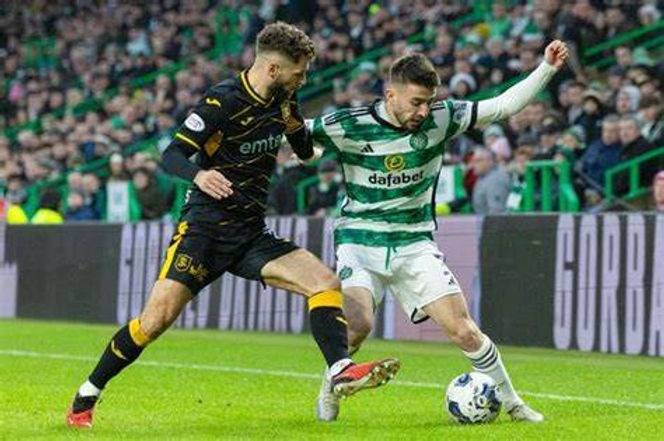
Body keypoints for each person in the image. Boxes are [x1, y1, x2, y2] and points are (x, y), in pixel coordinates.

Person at [66, 22, 399, 429]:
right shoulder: (221, 101)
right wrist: (200, 175)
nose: (304, 79)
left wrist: (319, 139)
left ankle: (340, 370)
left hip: (250, 233)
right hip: (204, 233)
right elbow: (171, 156)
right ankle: (88, 393)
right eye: (299, 72)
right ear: (273, 69)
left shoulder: (285, 101)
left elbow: (303, 150)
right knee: (153, 323)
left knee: (324, 282)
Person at [307, 40, 569, 423]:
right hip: (360, 241)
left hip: (414, 242)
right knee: (358, 326)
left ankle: (513, 404)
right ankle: (329, 389)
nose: (423, 111)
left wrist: (546, 68)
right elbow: (292, 135)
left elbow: (502, 106)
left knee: (464, 331)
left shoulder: (442, 118)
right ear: (390, 94)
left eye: (428, 102)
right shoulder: (349, 123)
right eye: (416, 102)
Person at [470, 148, 511, 215]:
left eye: (478, 161)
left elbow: (496, 213)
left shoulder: (496, 180)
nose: (473, 165)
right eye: (473, 161)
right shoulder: (484, 176)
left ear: (490, 161)